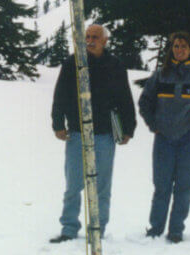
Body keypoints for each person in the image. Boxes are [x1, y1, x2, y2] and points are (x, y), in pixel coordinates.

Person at [50, 24, 136, 242]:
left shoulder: (115, 66)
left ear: (105, 40)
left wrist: (129, 128)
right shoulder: (73, 63)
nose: (90, 40)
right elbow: (60, 94)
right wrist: (58, 123)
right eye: (87, 36)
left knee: (102, 187)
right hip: (78, 133)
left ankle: (97, 230)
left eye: (95, 37)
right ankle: (69, 228)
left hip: (105, 134)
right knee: (73, 185)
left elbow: (125, 97)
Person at [139, 31, 190, 242]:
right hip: (164, 139)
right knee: (162, 186)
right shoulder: (160, 76)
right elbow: (145, 102)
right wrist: (154, 124)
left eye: (184, 46)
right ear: (171, 49)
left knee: (184, 187)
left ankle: (176, 230)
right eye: (176, 46)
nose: (180, 50)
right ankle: (155, 229)